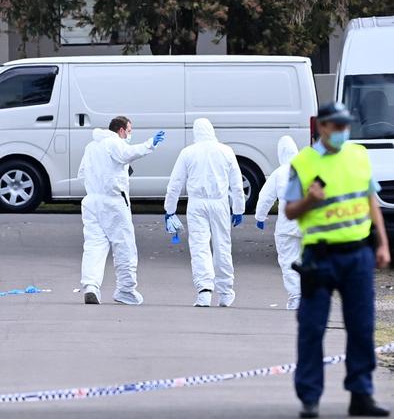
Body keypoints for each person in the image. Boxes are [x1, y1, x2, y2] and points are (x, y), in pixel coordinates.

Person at [284, 102, 391, 418]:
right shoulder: (302, 163)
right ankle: (310, 398)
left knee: (362, 327)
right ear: (323, 127)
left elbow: (370, 200)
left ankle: (361, 395)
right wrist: (309, 200)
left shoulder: (358, 155)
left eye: (347, 126)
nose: (344, 132)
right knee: (312, 328)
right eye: (338, 126)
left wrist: (382, 244)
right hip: (320, 257)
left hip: (358, 254)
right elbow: (290, 210)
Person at [78, 116, 165, 305]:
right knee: (124, 245)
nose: (130, 134)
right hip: (113, 202)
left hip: (91, 201)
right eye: (130, 131)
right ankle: (126, 290)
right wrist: (150, 144)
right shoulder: (114, 143)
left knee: (94, 246)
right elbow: (128, 153)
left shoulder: (91, 147)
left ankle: (91, 286)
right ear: (121, 130)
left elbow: (83, 172)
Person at [163, 118, 245, 308]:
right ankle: (225, 292)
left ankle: (204, 291)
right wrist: (239, 209)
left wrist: (170, 210)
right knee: (222, 246)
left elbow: (175, 183)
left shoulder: (188, 153)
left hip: (197, 204)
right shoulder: (226, 151)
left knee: (199, 246)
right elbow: (236, 184)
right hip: (220, 203)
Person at [255, 135, 302, 310]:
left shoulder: (279, 172)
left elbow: (265, 197)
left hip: (287, 222)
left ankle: (296, 297)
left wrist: (260, 217)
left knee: (289, 260)